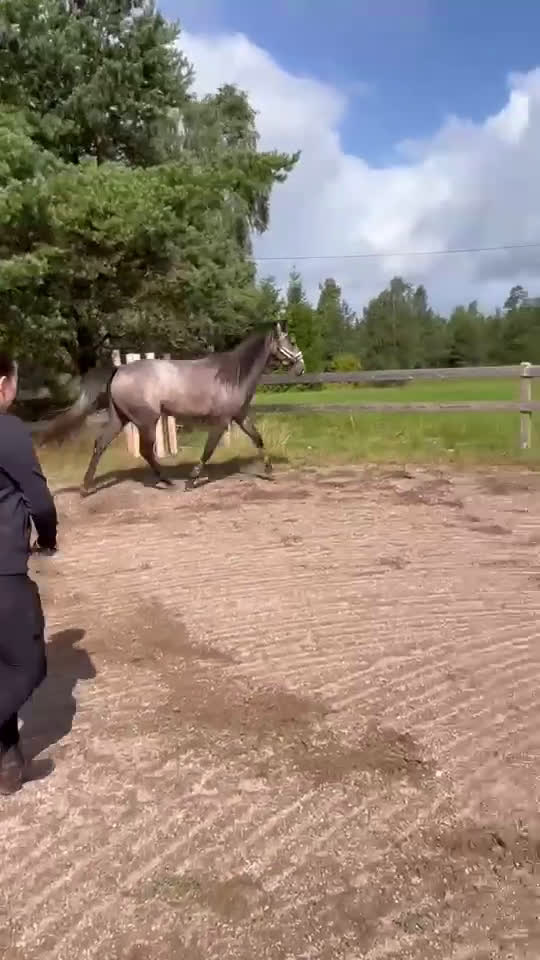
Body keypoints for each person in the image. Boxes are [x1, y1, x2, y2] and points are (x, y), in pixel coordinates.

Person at [0, 351, 57, 795]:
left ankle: (7, 766)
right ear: (3, 384)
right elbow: (38, 497)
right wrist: (48, 537)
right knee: (28, 665)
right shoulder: (8, 429)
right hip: (2, 570)